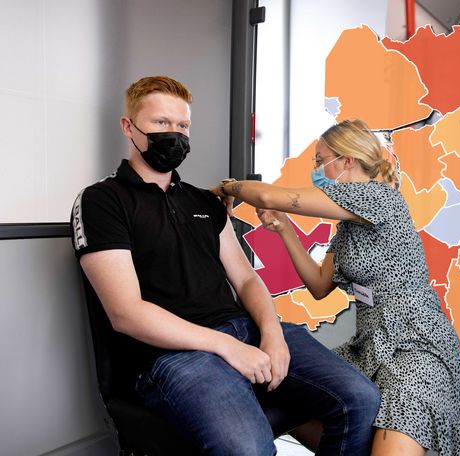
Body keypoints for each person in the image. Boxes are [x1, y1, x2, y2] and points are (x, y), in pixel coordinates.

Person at [70, 75, 380, 455]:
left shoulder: (203, 201)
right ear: (128, 126)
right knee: (246, 448)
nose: (174, 134)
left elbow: (246, 279)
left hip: (243, 328)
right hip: (174, 354)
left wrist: (272, 333)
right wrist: (226, 347)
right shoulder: (102, 201)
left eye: (182, 125)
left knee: (360, 399)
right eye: (161, 123)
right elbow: (126, 313)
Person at [212, 119, 460, 456]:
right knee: (288, 391)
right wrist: (285, 230)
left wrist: (228, 188)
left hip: (413, 346)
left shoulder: (377, 198)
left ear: (347, 161)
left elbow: (265, 195)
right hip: (370, 345)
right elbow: (320, 285)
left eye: (321, 161)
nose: (316, 171)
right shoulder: (348, 225)